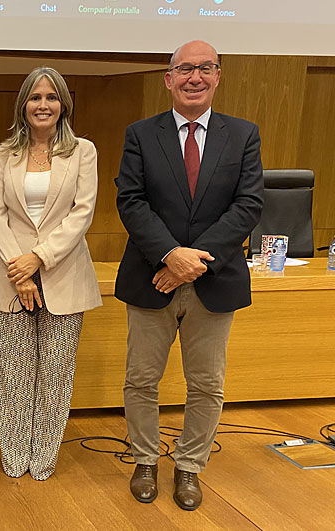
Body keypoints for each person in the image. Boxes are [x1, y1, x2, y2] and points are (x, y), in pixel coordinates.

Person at [115, 40, 263, 510]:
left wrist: (193, 261)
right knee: (141, 379)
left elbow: (248, 205)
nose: (194, 77)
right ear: (169, 78)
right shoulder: (141, 133)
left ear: (218, 76)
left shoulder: (243, 134)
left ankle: (189, 467)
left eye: (204, 68)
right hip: (151, 276)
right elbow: (131, 201)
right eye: (184, 69)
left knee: (206, 385)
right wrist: (169, 255)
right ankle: (143, 460)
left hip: (212, 282)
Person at [0, 67, 102, 480]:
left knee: (55, 375)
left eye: (52, 97)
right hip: (11, 277)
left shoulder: (83, 151)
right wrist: (20, 269)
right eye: (36, 98)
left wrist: (39, 258)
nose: (43, 105)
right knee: (13, 374)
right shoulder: (2, 155)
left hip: (64, 274)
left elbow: (82, 213)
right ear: (24, 105)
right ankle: (15, 456)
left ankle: (43, 457)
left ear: (63, 104)